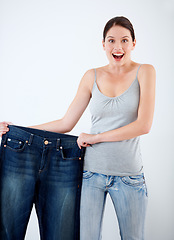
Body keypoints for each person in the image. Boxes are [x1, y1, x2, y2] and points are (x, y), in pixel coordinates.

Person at [0, 16, 156, 240]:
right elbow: (66, 123)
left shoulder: (145, 71)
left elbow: (144, 125)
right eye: (111, 41)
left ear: (133, 43)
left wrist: (95, 137)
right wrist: (18, 129)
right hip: (91, 174)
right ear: (103, 44)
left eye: (124, 40)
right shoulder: (91, 76)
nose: (118, 47)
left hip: (129, 176)